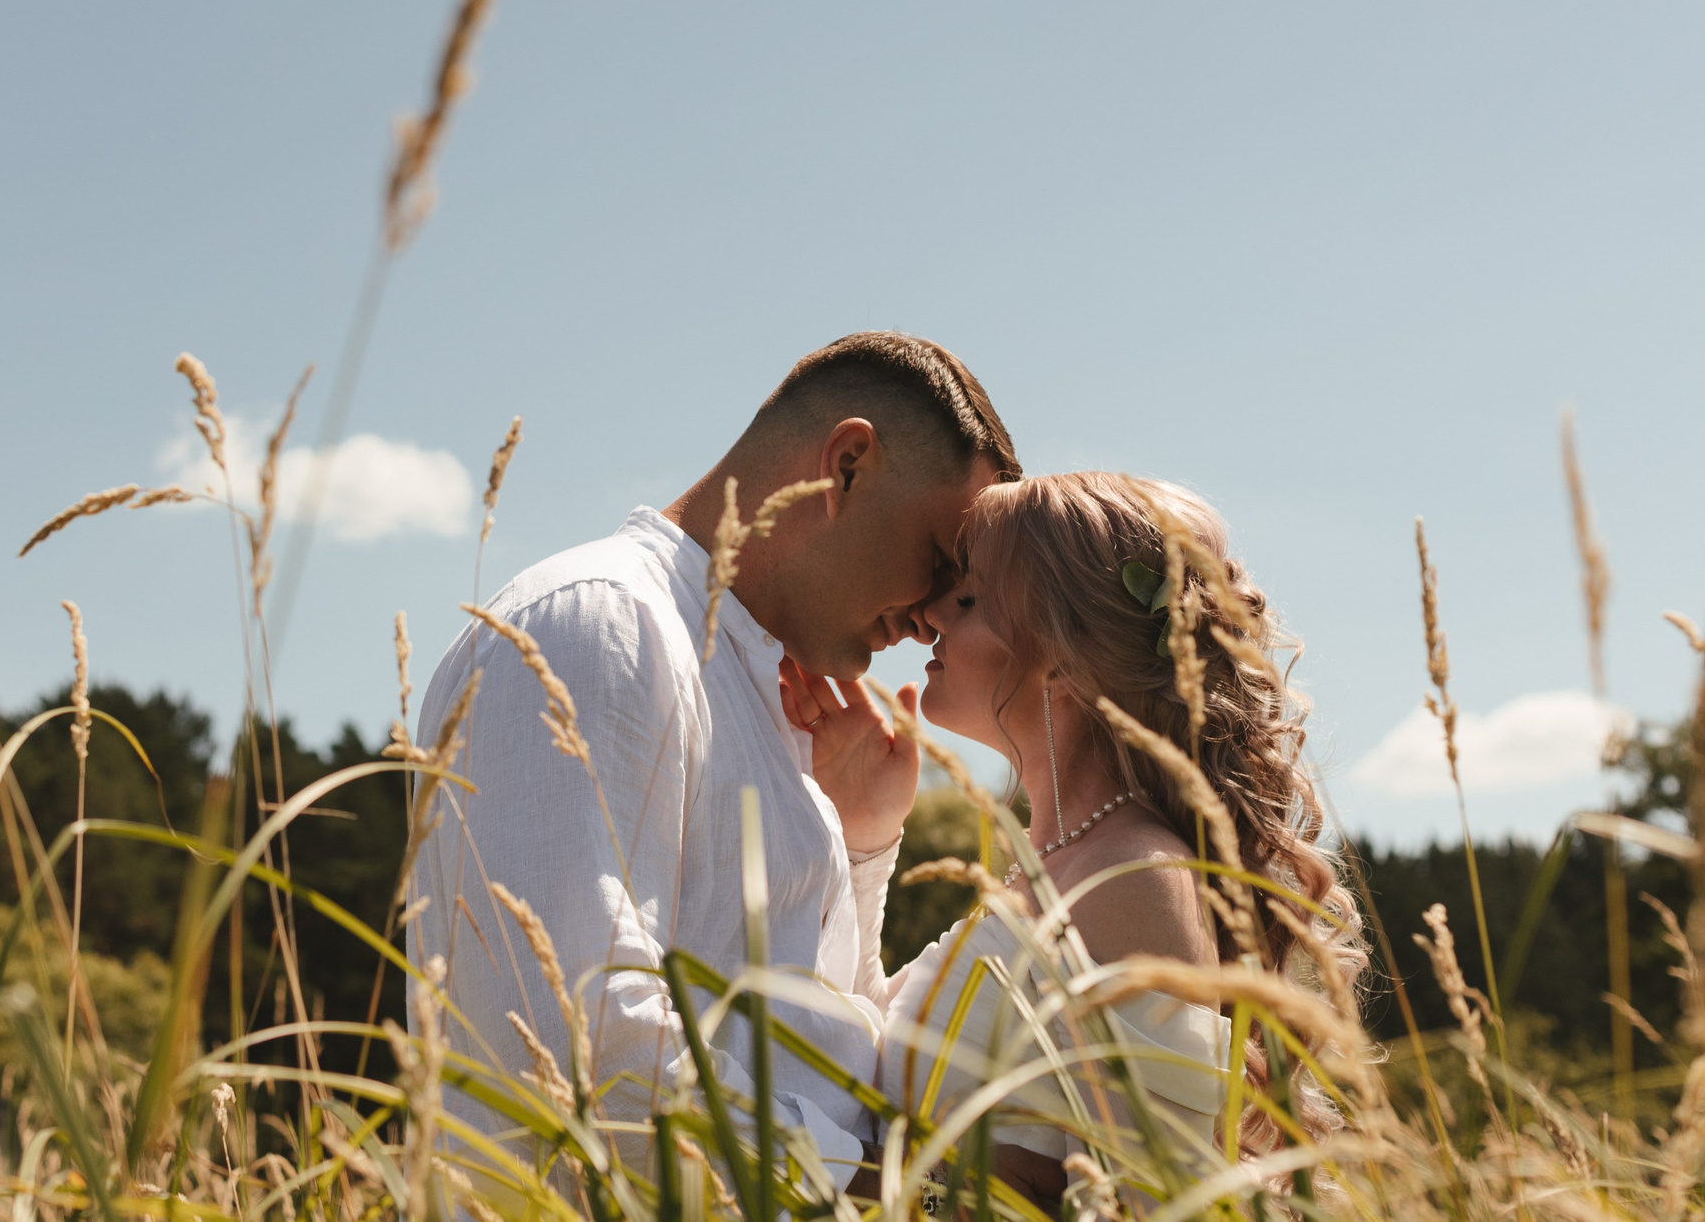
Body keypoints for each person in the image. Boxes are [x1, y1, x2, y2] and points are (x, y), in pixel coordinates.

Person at [405, 331, 1018, 1182]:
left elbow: (832, 1050)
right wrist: (881, 1191)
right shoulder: (598, 627)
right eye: (941, 558)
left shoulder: (771, 696)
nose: (933, 619)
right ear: (846, 466)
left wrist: (864, 846)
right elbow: (579, 1051)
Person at [786, 472, 1363, 1210]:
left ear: (1060, 657)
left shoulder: (1133, 875)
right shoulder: (1052, 867)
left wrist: (887, 1177)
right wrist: (868, 836)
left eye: (967, 599)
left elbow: (1147, 1201)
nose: (928, 615)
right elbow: (863, 1052)